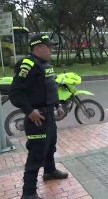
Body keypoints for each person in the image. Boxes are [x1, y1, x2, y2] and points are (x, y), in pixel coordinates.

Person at [9, 34, 68, 199]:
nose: (51, 49)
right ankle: (28, 193)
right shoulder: (27, 64)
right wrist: (29, 111)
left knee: (50, 146)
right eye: (48, 46)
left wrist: (57, 105)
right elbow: (15, 93)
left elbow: (50, 86)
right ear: (38, 47)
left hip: (49, 114)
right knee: (36, 154)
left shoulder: (45, 64)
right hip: (37, 118)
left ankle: (49, 171)